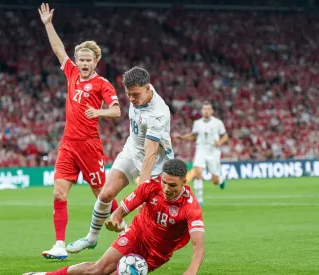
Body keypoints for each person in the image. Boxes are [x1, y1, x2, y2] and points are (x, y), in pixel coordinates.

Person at [38, 3, 122, 259]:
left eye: (88, 60)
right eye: (81, 60)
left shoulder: (102, 84)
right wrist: (48, 24)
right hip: (68, 145)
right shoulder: (72, 73)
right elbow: (58, 49)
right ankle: (59, 246)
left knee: (102, 194)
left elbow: (117, 110)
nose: (83, 63)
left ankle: (126, 231)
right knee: (58, 192)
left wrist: (100, 113)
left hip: (89, 145)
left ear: (96, 61)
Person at [23, 159, 205, 275]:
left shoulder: (191, 207)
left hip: (156, 254)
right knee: (97, 270)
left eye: (172, 185)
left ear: (183, 182)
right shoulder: (150, 186)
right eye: (164, 182)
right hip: (136, 235)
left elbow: (199, 247)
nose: (166, 188)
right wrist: (116, 219)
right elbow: (122, 209)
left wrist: (191, 270)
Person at [66, 66, 174, 253]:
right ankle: (91, 238)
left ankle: (137, 251)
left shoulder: (158, 114)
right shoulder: (140, 89)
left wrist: (142, 189)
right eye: (128, 94)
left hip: (156, 162)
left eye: (135, 94)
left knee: (144, 211)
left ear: (148, 88)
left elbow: (150, 154)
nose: (131, 99)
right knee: (106, 193)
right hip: (132, 151)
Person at [175, 102, 228, 205]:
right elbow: (193, 136)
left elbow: (225, 136)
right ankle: (199, 200)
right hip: (201, 150)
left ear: (212, 111)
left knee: (215, 181)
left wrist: (220, 142)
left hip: (213, 152)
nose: (206, 111)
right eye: (204, 109)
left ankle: (220, 180)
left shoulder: (218, 123)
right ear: (202, 111)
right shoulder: (197, 123)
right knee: (198, 172)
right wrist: (182, 137)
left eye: (208, 109)